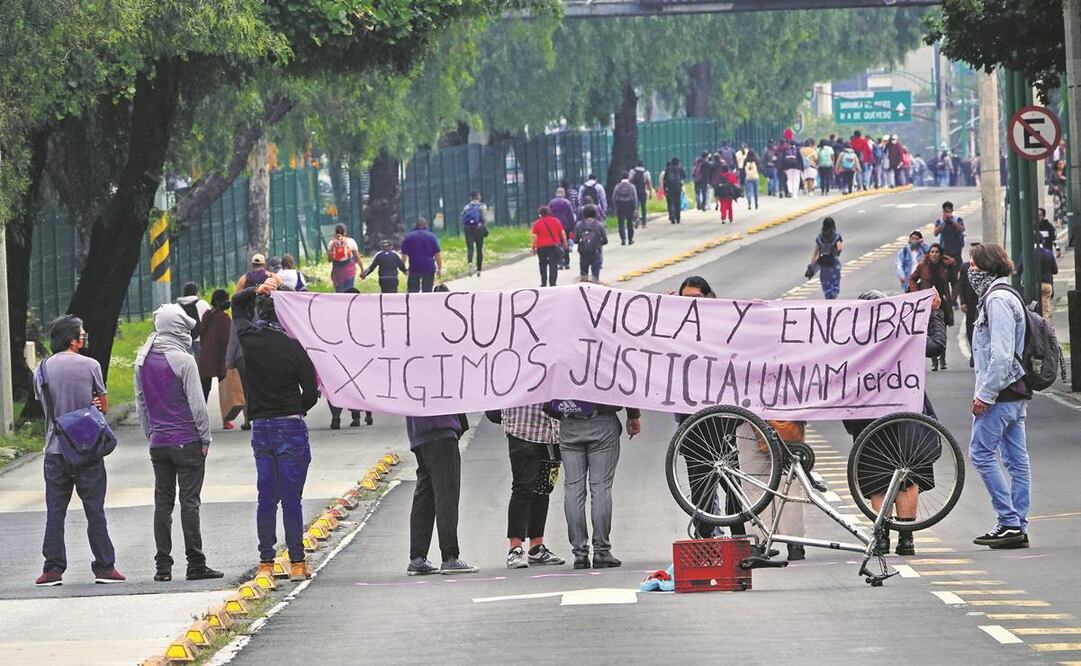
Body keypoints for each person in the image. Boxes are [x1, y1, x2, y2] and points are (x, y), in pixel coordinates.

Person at [843, 289, 946, 557]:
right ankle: (907, 538)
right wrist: (934, 312)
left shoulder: (850, 341)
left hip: (868, 416)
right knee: (907, 475)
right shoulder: (901, 334)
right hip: (906, 413)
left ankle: (881, 537)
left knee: (877, 476)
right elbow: (937, 345)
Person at [234, 278, 321, 581]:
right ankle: (297, 562)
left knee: (266, 497)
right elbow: (311, 391)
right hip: (290, 426)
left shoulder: (249, 339)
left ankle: (266, 564)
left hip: (261, 428)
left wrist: (255, 290)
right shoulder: (295, 348)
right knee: (292, 498)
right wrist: (296, 407)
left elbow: (236, 304)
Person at [135, 304, 224, 583]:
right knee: (189, 503)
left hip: (158, 443)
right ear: (178, 329)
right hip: (186, 441)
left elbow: (141, 404)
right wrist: (205, 437)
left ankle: (163, 567)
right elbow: (198, 405)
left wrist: (151, 434)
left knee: (162, 503)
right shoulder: (184, 360)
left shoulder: (143, 359)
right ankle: (195, 563)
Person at [34, 315, 124, 586]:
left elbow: (46, 406)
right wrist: (92, 402)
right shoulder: (91, 365)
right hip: (87, 448)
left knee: (55, 511)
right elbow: (103, 406)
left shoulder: (43, 368)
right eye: (82, 333)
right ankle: (105, 567)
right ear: (73, 340)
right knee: (94, 509)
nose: (85, 336)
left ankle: (52, 569)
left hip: (55, 449)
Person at [968, 243, 1032, 550]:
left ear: (986, 267)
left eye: (974, 265)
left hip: (1002, 394)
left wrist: (985, 395)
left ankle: (1008, 522)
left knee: (980, 453)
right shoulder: (1006, 295)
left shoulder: (997, 300)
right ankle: (1017, 524)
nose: (970, 271)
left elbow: (1002, 355)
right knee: (1016, 461)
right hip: (1015, 392)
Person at [549, 400, 641, 569]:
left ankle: (579, 553)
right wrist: (633, 414)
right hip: (602, 421)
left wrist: (562, 413)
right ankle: (601, 551)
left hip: (569, 423)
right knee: (601, 487)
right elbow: (622, 379)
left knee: (573, 488)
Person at [487, 405, 566, 569]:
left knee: (544, 490)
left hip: (551, 434)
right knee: (522, 489)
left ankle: (536, 547)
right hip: (523, 430)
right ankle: (515, 548)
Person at [405, 411, 478, 576]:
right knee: (446, 495)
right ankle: (450, 557)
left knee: (425, 496)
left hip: (419, 434)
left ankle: (417, 558)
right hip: (441, 429)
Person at [328, 289, 373, 428]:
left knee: (337, 386)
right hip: (361, 355)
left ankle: (336, 417)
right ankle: (363, 415)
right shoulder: (366, 315)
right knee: (360, 385)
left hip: (340, 356)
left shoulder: (336, 315)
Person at [909, 244, 957, 370]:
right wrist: (916, 294)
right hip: (928, 303)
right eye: (932, 252)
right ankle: (934, 361)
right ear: (929, 254)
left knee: (942, 330)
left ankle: (943, 360)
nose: (934, 254)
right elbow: (912, 279)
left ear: (940, 254)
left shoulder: (946, 266)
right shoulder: (923, 266)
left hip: (943, 302)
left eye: (936, 252)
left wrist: (953, 296)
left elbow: (955, 281)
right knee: (930, 330)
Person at [197, 289, 232, 406]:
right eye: (225, 300)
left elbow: (201, 334)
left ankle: (201, 419)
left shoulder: (207, 315)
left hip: (206, 357)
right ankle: (226, 420)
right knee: (224, 389)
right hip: (221, 357)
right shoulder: (225, 319)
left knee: (204, 390)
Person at [401, 218, 442, 293]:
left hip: (414, 266)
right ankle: (425, 303)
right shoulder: (432, 236)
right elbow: (437, 254)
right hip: (428, 266)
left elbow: (404, 255)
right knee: (427, 290)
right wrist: (439, 268)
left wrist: (403, 269)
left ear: (415, 225)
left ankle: (413, 304)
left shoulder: (409, 237)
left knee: (413, 290)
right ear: (426, 225)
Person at [531, 205, 567, 288]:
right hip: (553, 246)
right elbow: (562, 233)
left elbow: (535, 237)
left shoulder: (537, 223)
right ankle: (552, 283)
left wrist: (533, 247)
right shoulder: (556, 221)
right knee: (553, 264)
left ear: (540, 214)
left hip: (541, 247)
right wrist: (565, 243)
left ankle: (543, 282)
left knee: (542, 264)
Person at [809, 217, 844, 299]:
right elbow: (840, 248)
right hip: (833, 262)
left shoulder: (820, 238)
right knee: (835, 281)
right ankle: (833, 294)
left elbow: (816, 252)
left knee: (825, 281)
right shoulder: (836, 236)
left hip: (824, 263)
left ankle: (828, 295)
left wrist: (812, 264)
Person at [573, 204, 608, 283]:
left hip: (583, 252)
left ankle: (584, 289)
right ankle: (595, 288)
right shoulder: (599, 225)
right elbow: (605, 240)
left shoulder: (579, 225)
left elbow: (575, 240)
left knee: (584, 274)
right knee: (595, 275)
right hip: (596, 251)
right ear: (595, 213)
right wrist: (599, 243)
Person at [175, 282, 210, 356]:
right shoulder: (202, 303)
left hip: (183, 340)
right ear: (196, 292)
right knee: (201, 363)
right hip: (199, 339)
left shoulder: (177, 306)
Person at [549, 186, 577, 268]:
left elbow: (549, 214)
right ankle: (567, 262)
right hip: (566, 226)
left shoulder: (552, 202)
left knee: (557, 244)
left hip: (554, 226)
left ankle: (559, 261)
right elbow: (571, 215)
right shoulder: (567, 202)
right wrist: (573, 226)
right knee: (566, 243)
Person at [460, 191, 487, 277]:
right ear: (478, 196)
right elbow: (484, 218)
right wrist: (483, 226)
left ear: (470, 198)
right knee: (479, 249)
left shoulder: (467, 207)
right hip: (478, 229)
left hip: (468, 229)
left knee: (470, 248)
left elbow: (462, 217)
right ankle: (478, 270)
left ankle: (470, 263)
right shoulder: (482, 206)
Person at [934, 201, 966, 268]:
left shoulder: (957, 219)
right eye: (945, 211)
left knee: (958, 267)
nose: (947, 213)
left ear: (952, 211)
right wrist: (943, 223)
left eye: (949, 211)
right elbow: (935, 233)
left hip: (956, 248)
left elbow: (962, 229)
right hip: (944, 248)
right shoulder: (940, 221)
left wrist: (952, 221)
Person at [611, 173, 639, 245]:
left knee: (621, 223)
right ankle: (630, 239)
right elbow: (635, 197)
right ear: (628, 177)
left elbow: (614, 197)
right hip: (630, 206)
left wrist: (615, 207)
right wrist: (635, 208)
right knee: (630, 223)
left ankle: (623, 239)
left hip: (620, 206)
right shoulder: (632, 186)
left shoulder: (617, 186)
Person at [662, 157, 686, 224]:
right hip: (677, 187)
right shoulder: (680, 168)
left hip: (670, 188)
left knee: (671, 202)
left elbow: (665, 180)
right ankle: (678, 218)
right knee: (677, 202)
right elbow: (684, 177)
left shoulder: (668, 169)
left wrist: (665, 189)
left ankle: (672, 216)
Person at [629, 163, 652, 227]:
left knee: (635, 207)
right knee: (643, 207)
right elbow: (649, 182)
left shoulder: (632, 171)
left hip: (634, 192)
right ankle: (644, 223)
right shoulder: (646, 172)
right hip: (643, 192)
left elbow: (630, 181)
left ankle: (636, 220)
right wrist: (650, 192)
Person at [1049, 159, 1068, 229]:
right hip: (1056, 192)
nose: (1061, 165)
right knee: (1056, 207)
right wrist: (1054, 187)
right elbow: (1050, 182)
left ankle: (1064, 222)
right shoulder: (1054, 172)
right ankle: (1057, 221)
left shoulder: (1066, 172)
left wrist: (1065, 178)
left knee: (1064, 207)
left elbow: (1070, 180)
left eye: (1062, 164)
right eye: (1059, 164)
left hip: (1064, 192)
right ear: (1057, 165)